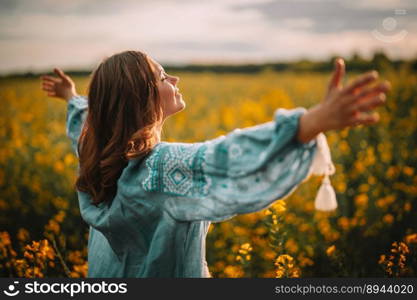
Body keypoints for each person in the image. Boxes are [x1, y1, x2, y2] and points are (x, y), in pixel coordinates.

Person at [40, 50, 390, 278]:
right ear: (141, 96)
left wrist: (72, 97)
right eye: (162, 77)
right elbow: (225, 158)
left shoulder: (96, 155)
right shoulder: (161, 169)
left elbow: (87, 124)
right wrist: (308, 125)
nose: (174, 80)